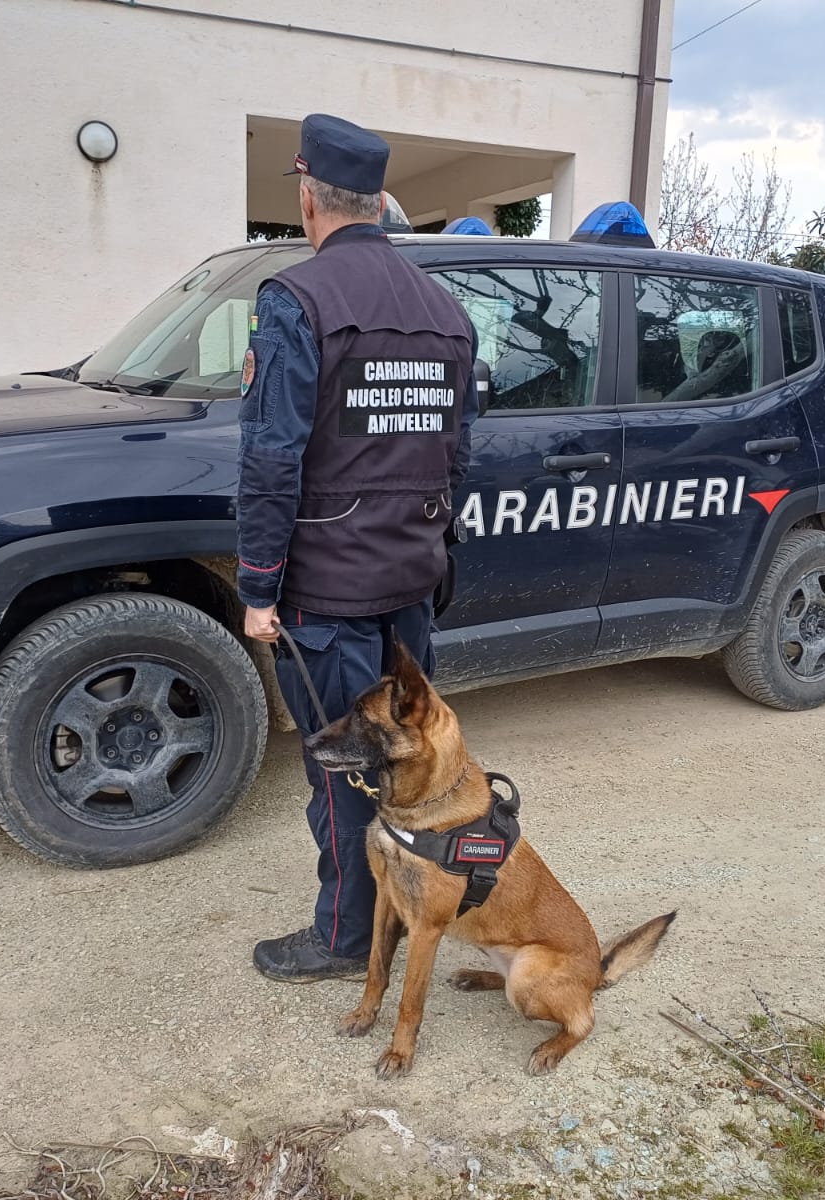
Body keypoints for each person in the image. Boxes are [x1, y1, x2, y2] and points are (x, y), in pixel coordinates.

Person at [237, 113, 480, 983]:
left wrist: (258, 586)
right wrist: (434, 550)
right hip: (412, 583)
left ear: (308, 199)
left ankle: (345, 939)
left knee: (344, 771)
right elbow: (458, 455)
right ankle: (409, 909)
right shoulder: (447, 310)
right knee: (411, 767)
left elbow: (272, 458)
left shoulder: (297, 301)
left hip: (328, 595)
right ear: (377, 202)